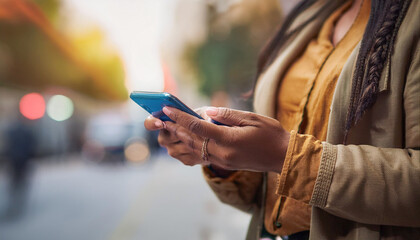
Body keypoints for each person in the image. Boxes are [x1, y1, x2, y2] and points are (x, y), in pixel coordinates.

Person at [145, 0, 420, 239]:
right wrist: (221, 155)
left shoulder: (410, 18)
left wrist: (285, 155)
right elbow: (272, 192)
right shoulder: (313, 16)